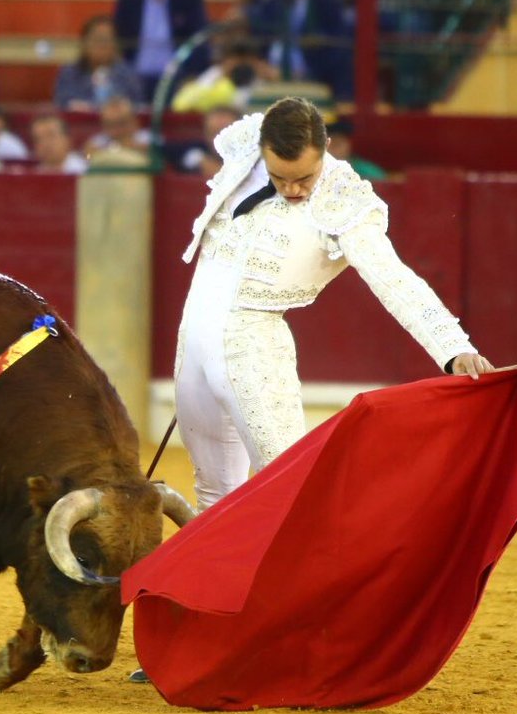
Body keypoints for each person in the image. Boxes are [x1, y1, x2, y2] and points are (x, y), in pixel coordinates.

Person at [174, 97, 494, 512]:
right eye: (280, 177)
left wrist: (453, 346)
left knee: (290, 488)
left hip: (251, 346)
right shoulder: (245, 151)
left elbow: (392, 278)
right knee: (213, 496)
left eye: (304, 178)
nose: (292, 190)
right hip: (192, 336)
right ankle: (215, 578)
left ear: (325, 151)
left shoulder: (344, 199)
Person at [247, 0, 353, 103]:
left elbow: (338, 44)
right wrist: (264, 66)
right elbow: (258, 38)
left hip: (313, 69)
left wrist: (306, 71)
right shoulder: (271, 2)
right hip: (272, 70)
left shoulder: (326, 3)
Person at [113, 0, 210, 103]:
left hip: (177, 79)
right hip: (135, 76)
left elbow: (199, 40)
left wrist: (191, 76)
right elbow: (119, 39)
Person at [53, 15, 143, 111]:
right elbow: (62, 103)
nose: (102, 45)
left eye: (107, 40)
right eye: (97, 39)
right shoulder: (69, 73)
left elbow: (137, 105)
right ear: (84, 42)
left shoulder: (128, 74)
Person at [175, 105, 240, 177]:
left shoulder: (250, 158)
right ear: (205, 134)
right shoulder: (192, 152)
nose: (219, 139)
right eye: (214, 133)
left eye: (226, 134)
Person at [84, 95, 150, 156]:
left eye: (121, 123)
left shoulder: (149, 140)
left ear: (134, 122)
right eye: (110, 125)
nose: (117, 131)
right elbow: (88, 156)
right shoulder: (97, 142)